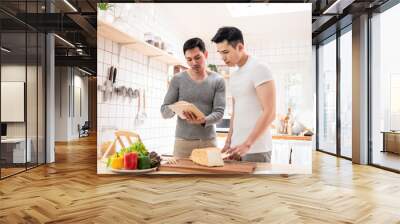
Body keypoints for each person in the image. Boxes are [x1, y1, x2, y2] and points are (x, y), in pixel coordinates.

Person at [211, 27, 276, 163]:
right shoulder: (234, 75)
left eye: (226, 52)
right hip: (236, 149)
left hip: (256, 149)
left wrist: (248, 144)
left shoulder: (259, 68)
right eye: (220, 53)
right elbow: (236, 112)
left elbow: (270, 112)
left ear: (240, 47)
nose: (223, 57)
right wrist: (229, 140)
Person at [161, 37, 226, 158]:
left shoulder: (218, 80)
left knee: (209, 177)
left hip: (208, 142)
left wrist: (203, 120)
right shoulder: (177, 79)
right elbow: (164, 112)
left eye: (197, 58)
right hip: (183, 143)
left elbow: (219, 113)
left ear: (205, 54)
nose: (193, 63)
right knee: (182, 177)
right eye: (189, 59)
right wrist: (177, 107)